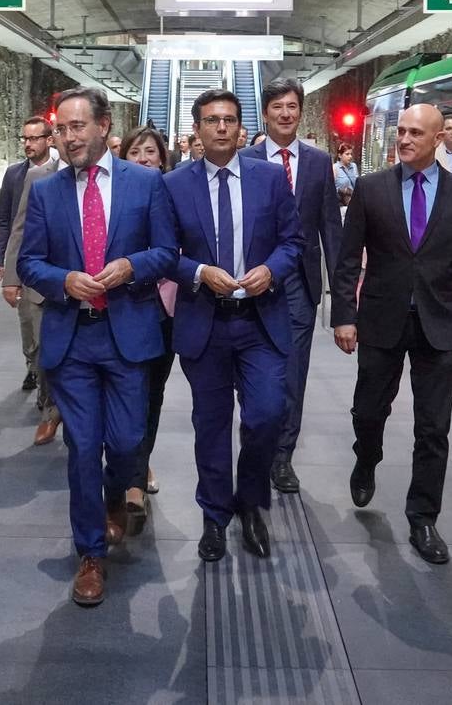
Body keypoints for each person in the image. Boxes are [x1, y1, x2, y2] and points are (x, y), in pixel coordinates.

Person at [17, 86, 176, 607]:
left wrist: (131, 267)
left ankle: (114, 499)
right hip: (73, 336)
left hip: (128, 333)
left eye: (77, 127)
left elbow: (167, 251)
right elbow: (29, 262)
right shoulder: (46, 191)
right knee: (83, 447)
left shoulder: (146, 183)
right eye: (60, 129)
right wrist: (64, 280)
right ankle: (89, 554)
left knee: (128, 442)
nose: (67, 138)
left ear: (104, 126)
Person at [331, 104, 452, 566]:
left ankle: (423, 517)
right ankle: (367, 454)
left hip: (438, 325)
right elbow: (346, 260)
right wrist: (344, 315)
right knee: (368, 409)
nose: (403, 139)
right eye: (400, 131)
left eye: (415, 132)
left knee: (433, 427)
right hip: (380, 319)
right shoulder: (370, 188)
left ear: (439, 138)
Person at [165, 89, 302, 563]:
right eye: (211, 120)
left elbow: (292, 241)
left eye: (228, 120)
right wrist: (200, 272)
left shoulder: (269, 179)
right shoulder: (175, 184)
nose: (221, 128)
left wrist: (273, 270)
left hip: (260, 321)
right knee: (211, 424)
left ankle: (251, 501)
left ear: (242, 127)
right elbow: (165, 254)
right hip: (205, 323)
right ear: (197, 130)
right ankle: (215, 514)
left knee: (266, 415)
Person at [240, 77, 343, 496]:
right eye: (278, 106)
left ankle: (282, 455)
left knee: (293, 374)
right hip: (252, 283)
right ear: (265, 113)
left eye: (293, 107)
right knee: (254, 373)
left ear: (300, 112)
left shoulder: (319, 163)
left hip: (300, 283)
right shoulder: (244, 159)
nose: (286, 113)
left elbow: (331, 229)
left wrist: (343, 299)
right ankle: (256, 445)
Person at [119, 126, 176, 528]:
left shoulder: (174, 193)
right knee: (126, 397)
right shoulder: (111, 199)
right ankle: (129, 474)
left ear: (162, 158)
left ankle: (137, 473)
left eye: (150, 151)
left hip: (165, 309)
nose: (143, 157)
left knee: (150, 394)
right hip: (122, 308)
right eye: (135, 151)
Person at [0, 116, 58, 392]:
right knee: (27, 323)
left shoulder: (60, 171)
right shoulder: (15, 174)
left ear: (49, 140)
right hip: (24, 263)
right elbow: (7, 220)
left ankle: (47, 390)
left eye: (34, 138)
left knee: (46, 330)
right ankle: (32, 365)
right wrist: (1, 264)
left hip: (51, 263)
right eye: (25, 139)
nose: (28, 144)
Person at [1, 152, 62, 445]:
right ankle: (50, 410)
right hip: (42, 282)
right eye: (64, 128)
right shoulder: (38, 177)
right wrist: (11, 278)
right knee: (44, 351)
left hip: (92, 285)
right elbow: (20, 227)